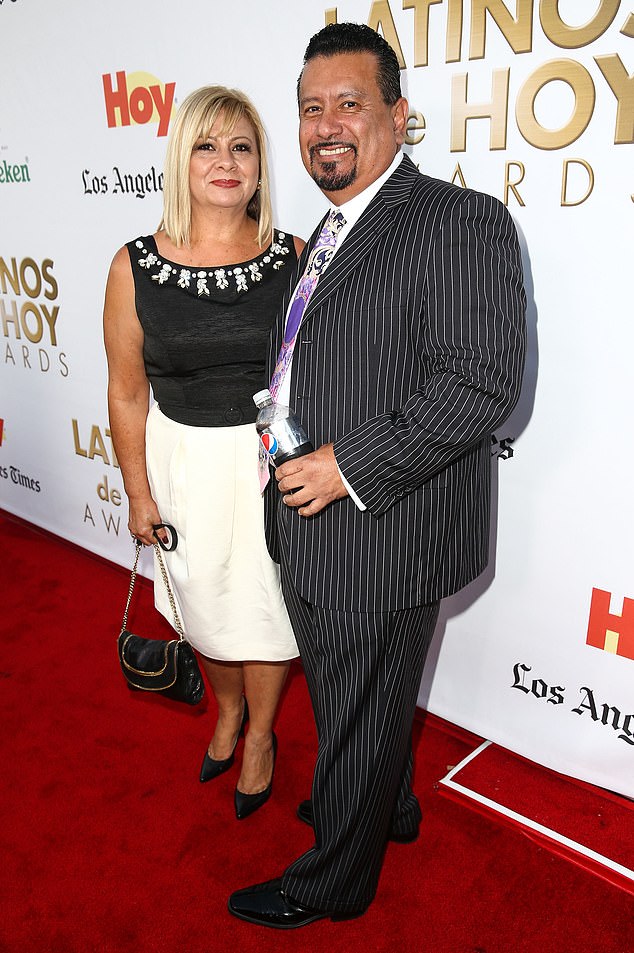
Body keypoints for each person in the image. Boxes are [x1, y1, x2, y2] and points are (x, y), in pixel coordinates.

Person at [228, 23, 527, 926]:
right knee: (359, 687)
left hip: (383, 524)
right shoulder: (324, 230)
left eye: (350, 104)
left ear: (399, 116)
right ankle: (383, 806)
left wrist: (346, 463)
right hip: (313, 518)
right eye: (311, 109)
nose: (327, 125)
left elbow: (481, 382)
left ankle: (336, 883)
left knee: (357, 695)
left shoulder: (459, 220)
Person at [103, 85, 303, 820]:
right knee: (204, 607)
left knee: (267, 612)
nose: (226, 161)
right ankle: (225, 714)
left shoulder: (295, 257)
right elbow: (127, 393)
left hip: (266, 469)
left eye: (241, 146)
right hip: (181, 463)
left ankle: (260, 737)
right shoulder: (133, 267)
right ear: (179, 158)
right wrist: (138, 492)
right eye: (207, 145)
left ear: (259, 165)